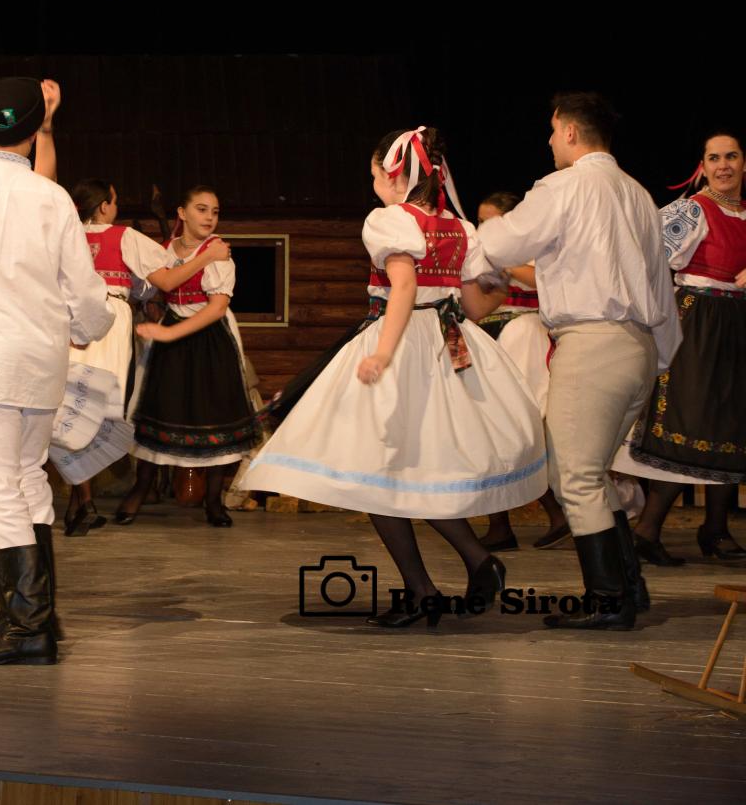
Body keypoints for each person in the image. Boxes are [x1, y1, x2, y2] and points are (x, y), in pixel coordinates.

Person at [242, 127, 547, 627]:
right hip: (448, 342)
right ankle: (475, 561)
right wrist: (496, 283)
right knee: (414, 470)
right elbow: (474, 305)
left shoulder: (389, 220)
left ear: (394, 174)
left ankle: (424, 589)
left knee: (378, 471)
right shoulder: (459, 228)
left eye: (375, 174)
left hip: (404, 342)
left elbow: (403, 286)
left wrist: (383, 352)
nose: (374, 185)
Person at [0, 77, 115, 665]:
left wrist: (25, 109)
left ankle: (28, 625)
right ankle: (35, 614)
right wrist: (91, 327)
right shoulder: (50, 198)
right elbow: (84, 292)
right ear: (34, 133)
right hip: (37, 358)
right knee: (28, 475)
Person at [477, 92, 682, 630]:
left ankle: (608, 601)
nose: (549, 141)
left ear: (570, 131)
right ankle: (628, 589)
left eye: (552, 131)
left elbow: (506, 239)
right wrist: (659, 357)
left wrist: (469, 241)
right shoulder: (638, 194)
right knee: (590, 472)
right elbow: (661, 285)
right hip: (637, 346)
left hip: (594, 344)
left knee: (575, 477)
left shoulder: (565, 186)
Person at [52, 178, 230, 534]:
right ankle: (81, 502)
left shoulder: (64, 235)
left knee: (70, 408)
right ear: (104, 205)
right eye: (114, 201)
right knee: (99, 408)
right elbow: (166, 281)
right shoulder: (124, 237)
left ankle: (81, 500)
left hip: (64, 321)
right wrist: (207, 256)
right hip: (106, 320)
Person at [615, 131, 746, 565]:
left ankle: (716, 528)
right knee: (689, 423)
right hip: (698, 323)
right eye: (714, 158)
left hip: (736, 322)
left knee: (731, 427)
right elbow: (645, 259)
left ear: (744, 163)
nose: (723, 165)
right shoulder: (693, 210)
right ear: (702, 167)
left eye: (731, 156)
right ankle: (647, 530)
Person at [115, 186, 259, 528]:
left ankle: (213, 500)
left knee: (212, 411)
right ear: (182, 212)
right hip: (172, 327)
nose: (209, 217)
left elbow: (217, 308)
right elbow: (156, 285)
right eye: (201, 209)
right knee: (159, 407)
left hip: (210, 337)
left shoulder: (218, 252)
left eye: (215, 211)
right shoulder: (165, 250)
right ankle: (141, 488)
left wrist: (169, 333)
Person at [472, 192, 570, 552]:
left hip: (524, 338)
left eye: (492, 221)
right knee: (489, 432)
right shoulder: (484, 251)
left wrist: (507, 264)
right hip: (493, 339)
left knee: (514, 429)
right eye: (481, 220)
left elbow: (545, 282)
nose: (484, 227)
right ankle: (501, 525)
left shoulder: (531, 248)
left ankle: (556, 513)